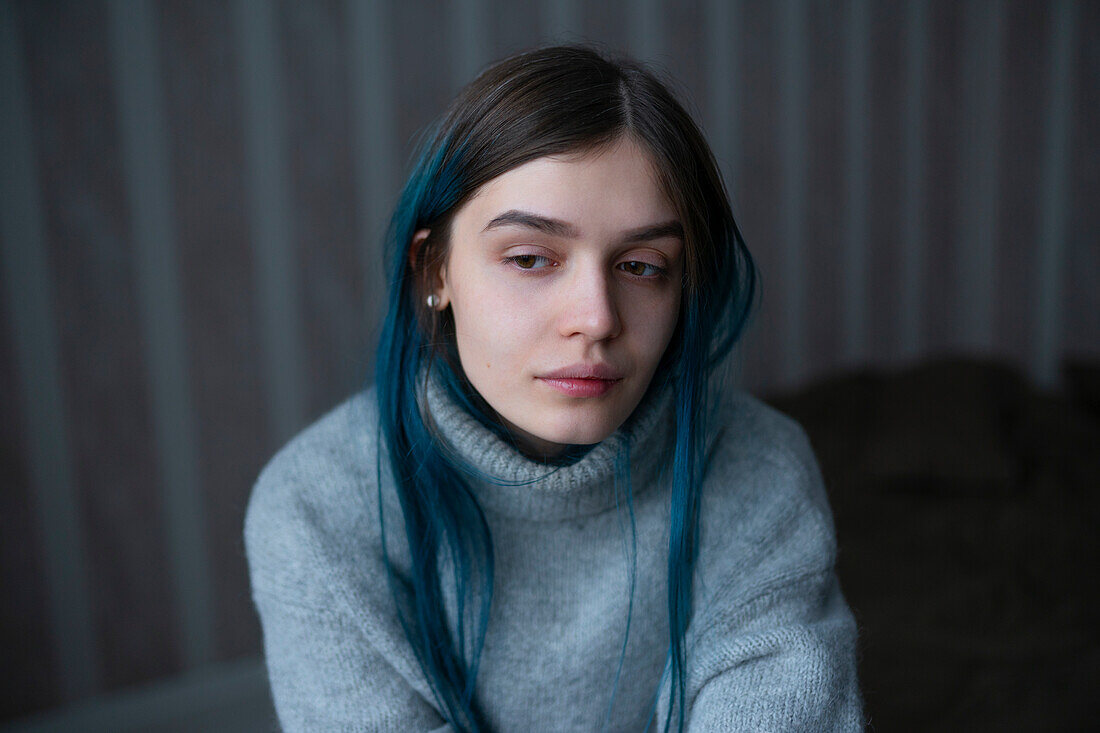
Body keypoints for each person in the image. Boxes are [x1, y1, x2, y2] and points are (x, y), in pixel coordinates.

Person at [244, 44, 863, 732]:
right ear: (435, 272)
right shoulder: (316, 506)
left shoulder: (759, 469)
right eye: (531, 258)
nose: (596, 318)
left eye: (641, 265)